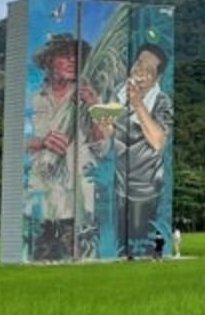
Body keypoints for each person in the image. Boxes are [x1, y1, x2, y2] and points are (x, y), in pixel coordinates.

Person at [25, 34, 101, 261]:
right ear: (49, 60)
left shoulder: (88, 94)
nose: (71, 61)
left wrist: (95, 107)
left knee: (79, 257)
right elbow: (19, 141)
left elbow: (103, 142)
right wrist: (41, 141)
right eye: (64, 55)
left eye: (75, 56)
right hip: (41, 193)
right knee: (40, 258)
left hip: (76, 196)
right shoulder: (34, 98)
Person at [96, 42, 173, 257]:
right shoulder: (118, 93)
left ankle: (151, 261)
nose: (140, 71)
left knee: (140, 240)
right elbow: (110, 135)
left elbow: (158, 141)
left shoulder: (162, 102)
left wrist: (138, 104)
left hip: (145, 188)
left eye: (148, 70)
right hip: (118, 183)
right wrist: (103, 124)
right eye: (139, 63)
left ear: (156, 78)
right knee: (120, 240)